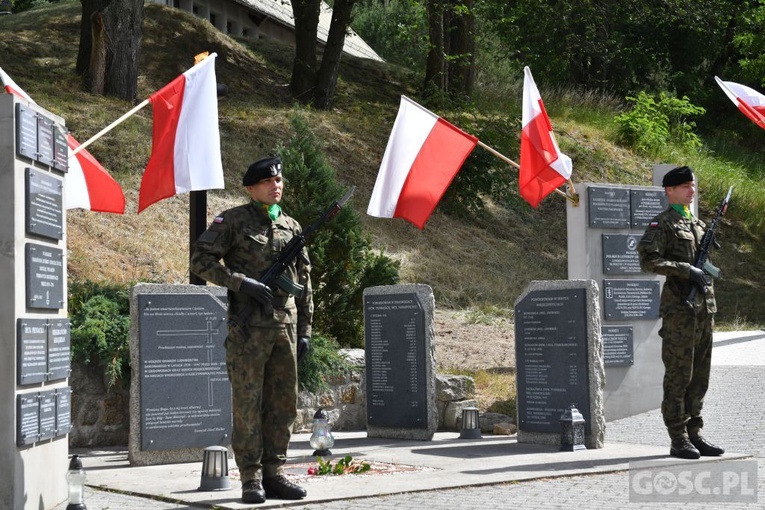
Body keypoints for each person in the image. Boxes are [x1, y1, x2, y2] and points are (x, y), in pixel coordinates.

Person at [190, 156, 312, 503]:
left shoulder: (292, 225)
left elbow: (306, 283)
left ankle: (275, 474)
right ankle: (251, 478)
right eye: (269, 181)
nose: (277, 186)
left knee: (283, 405)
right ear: (251, 188)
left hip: (284, 329)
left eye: (280, 180)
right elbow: (200, 260)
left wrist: (305, 330)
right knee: (247, 404)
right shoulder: (232, 220)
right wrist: (240, 283)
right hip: (249, 331)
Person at [637, 165, 725, 460]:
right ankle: (678, 438)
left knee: (700, 376)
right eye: (686, 186)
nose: (692, 190)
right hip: (679, 310)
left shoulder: (698, 225)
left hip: (704, 309)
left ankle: (695, 433)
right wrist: (686, 270)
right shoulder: (661, 224)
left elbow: (708, 267)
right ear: (670, 190)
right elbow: (649, 261)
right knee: (679, 376)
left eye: (693, 185)